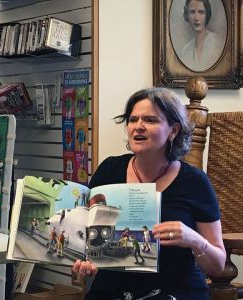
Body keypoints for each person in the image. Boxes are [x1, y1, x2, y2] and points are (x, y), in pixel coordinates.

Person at [72, 87, 226, 299]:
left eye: (151, 120)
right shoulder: (109, 169)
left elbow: (217, 267)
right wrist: (83, 263)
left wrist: (194, 239)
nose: (138, 127)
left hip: (175, 291)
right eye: (133, 119)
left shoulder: (194, 182)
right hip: (111, 290)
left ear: (173, 130)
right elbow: (84, 240)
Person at [180, 0, 224, 72]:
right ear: (186, 15)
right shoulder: (185, 50)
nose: (196, 18)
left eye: (201, 12)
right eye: (192, 12)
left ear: (207, 15)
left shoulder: (216, 42)